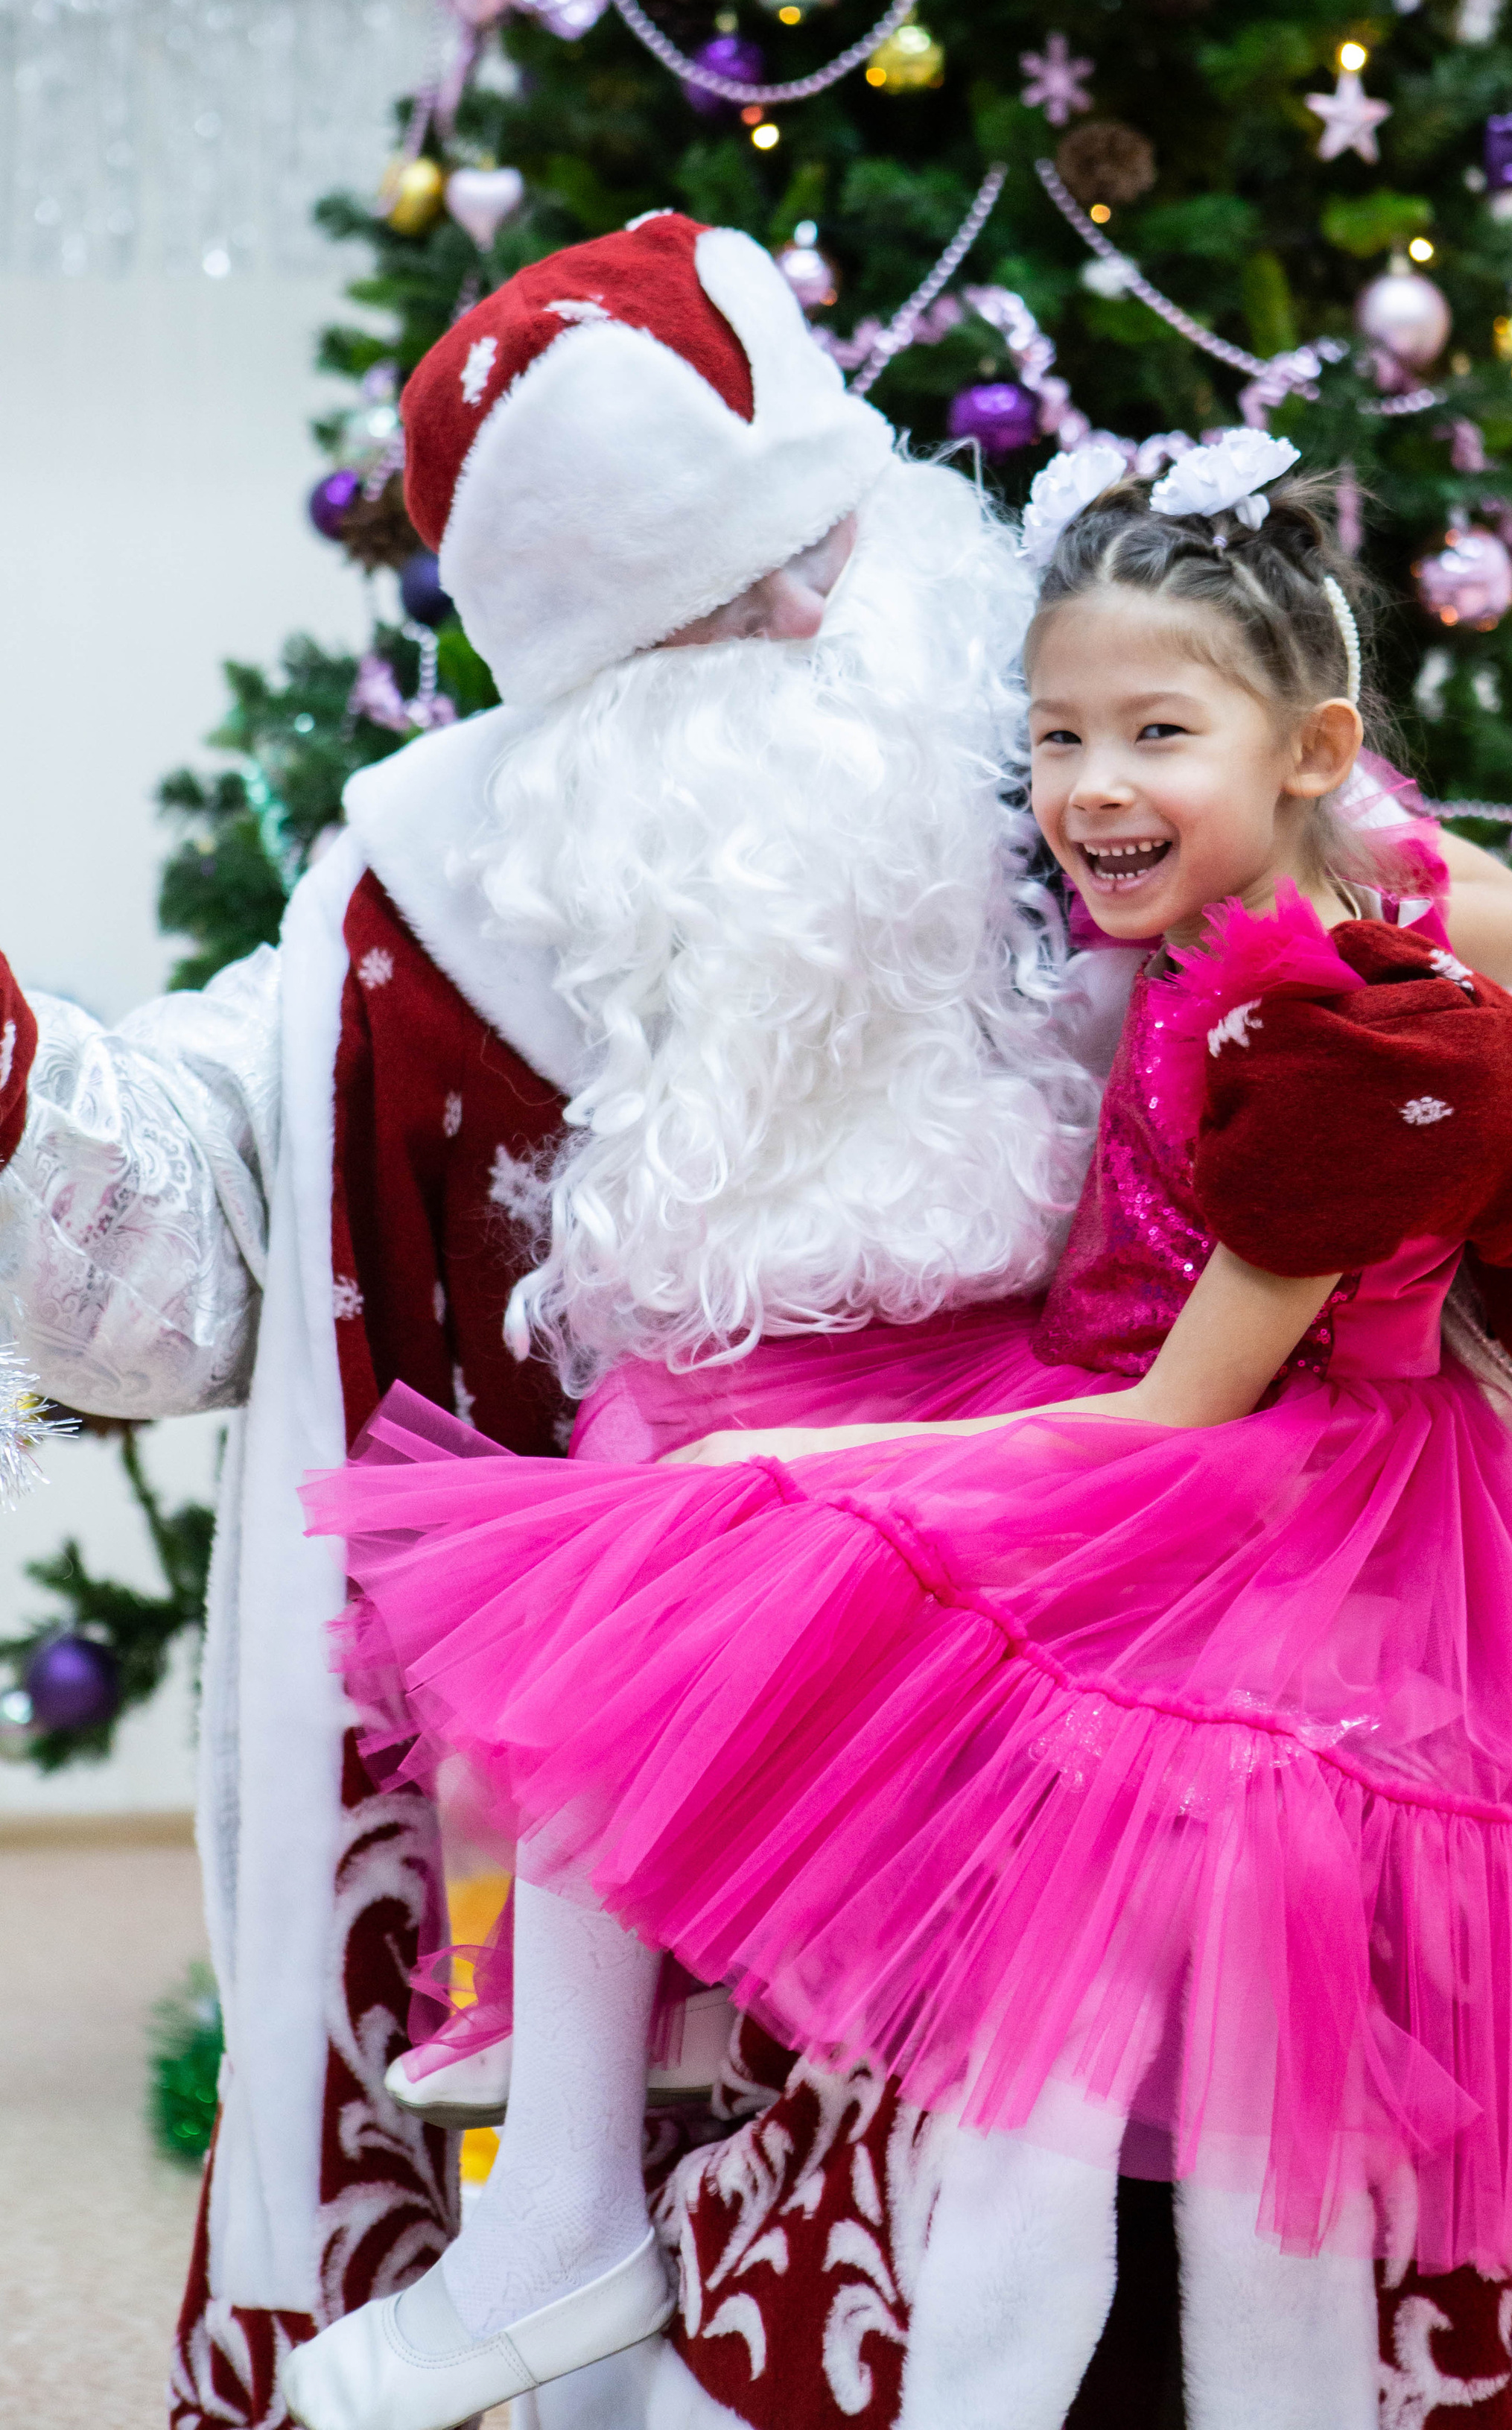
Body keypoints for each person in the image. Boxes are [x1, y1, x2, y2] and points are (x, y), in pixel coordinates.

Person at [283, 429, 1512, 2430]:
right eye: (1055, 739)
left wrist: (804, 1475)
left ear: (1303, 743)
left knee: (691, 1537)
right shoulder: (1256, 914)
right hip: (1143, 1401)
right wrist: (1325, 822)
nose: (1091, 791)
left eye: (1155, 735)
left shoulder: (1333, 1048)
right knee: (653, 1464)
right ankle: (572, 2206)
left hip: (1256, 1489)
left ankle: (656, 2239)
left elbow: (1179, 1408)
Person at [0, 212, 1102, 2430]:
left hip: (1119, 1661)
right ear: (588, 690)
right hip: (699, 1728)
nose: (815, 616)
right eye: (720, 613)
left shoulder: (1086, 736)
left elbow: (1397, 1045)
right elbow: (185, 1250)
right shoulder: (429, 912)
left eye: (834, 543)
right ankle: (575, 2227)